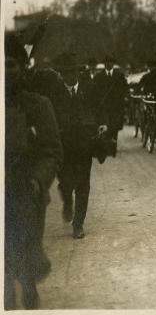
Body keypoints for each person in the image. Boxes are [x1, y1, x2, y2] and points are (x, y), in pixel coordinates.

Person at [4, 35, 62, 309]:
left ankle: (28, 286)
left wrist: (39, 180)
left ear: (23, 68)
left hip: (27, 191)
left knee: (27, 247)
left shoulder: (39, 105)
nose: (4, 72)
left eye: (10, 65)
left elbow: (52, 150)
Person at [53, 53, 107, 239]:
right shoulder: (55, 92)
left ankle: (78, 224)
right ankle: (67, 199)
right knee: (66, 182)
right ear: (61, 74)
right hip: (62, 146)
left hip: (84, 144)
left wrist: (102, 123)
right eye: (66, 73)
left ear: (78, 72)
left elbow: (100, 108)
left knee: (83, 184)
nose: (70, 76)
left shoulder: (89, 88)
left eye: (73, 72)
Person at [93, 55, 127, 151]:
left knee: (114, 126)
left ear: (113, 64)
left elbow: (124, 88)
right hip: (103, 106)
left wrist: (122, 98)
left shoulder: (119, 76)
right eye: (106, 62)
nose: (108, 64)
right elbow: (95, 90)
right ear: (104, 64)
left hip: (116, 106)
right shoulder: (98, 77)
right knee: (105, 124)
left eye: (110, 62)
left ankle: (113, 146)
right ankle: (105, 146)